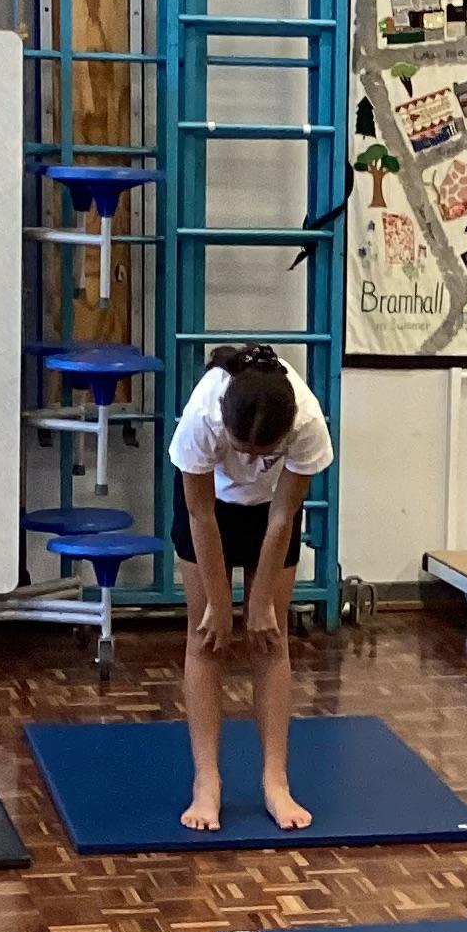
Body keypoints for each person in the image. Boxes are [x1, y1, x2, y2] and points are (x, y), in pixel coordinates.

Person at [168, 343, 334, 834]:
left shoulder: (307, 421)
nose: (251, 461)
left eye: (265, 454)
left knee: (270, 638)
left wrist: (259, 604)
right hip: (208, 511)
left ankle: (275, 782)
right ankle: (207, 782)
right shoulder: (202, 416)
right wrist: (221, 605)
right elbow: (200, 513)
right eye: (242, 450)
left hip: (269, 513)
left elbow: (283, 516)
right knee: (206, 638)